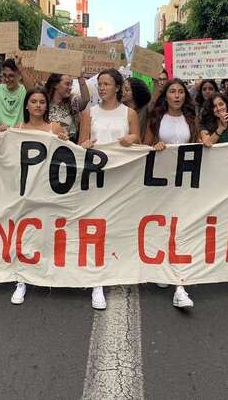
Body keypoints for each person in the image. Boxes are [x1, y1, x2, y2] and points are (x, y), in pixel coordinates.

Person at [79, 68, 140, 310]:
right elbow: (80, 145)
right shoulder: (89, 113)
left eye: (106, 84)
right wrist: (85, 144)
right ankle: (98, 281)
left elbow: (138, 141)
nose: (102, 88)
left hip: (121, 179)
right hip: (96, 179)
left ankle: (118, 270)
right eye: (100, 84)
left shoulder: (130, 113)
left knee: (118, 226)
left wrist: (131, 139)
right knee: (97, 226)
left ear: (117, 87)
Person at [10, 87, 69, 305]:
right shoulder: (17, 128)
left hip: (49, 189)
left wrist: (65, 140)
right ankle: (22, 279)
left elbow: (69, 157)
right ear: (26, 105)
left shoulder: (55, 128)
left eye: (42, 102)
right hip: (25, 191)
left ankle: (48, 271)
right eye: (33, 101)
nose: (37, 105)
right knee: (26, 234)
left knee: (48, 232)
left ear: (47, 106)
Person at [143, 79, 198, 309]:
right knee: (163, 227)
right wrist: (154, 146)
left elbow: (196, 145)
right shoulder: (156, 118)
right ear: (165, 96)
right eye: (172, 91)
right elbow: (144, 146)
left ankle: (179, 286)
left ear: (185, 96)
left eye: (180, 92)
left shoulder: (191, 119)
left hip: (184, 183)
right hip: (161, 182)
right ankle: (163, 268)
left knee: (181, 229)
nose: (176, 95)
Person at [44, 73, 90, 144]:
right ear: (55, 84)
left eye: (71, 84)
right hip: (47, 143)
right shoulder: (43, 102)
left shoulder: (71, 102)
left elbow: (85, 99)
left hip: (68, 146)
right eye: (67, 84)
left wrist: (81, 80)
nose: (70, 87)